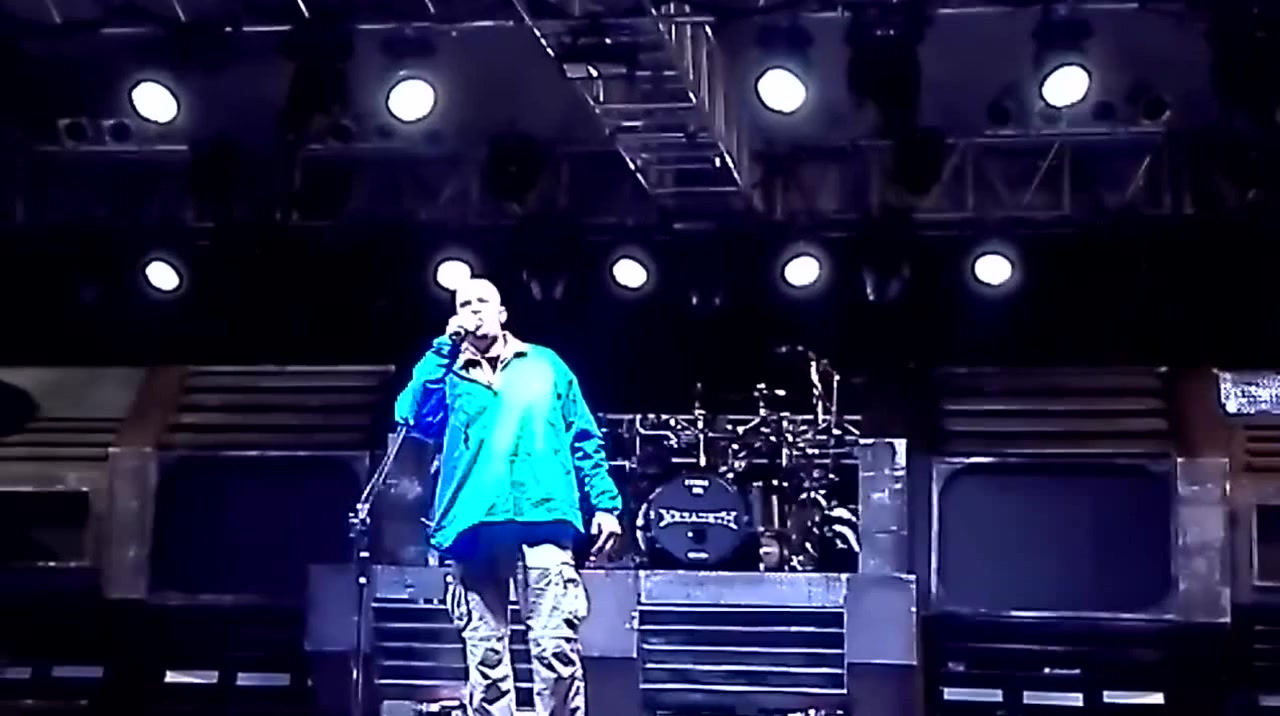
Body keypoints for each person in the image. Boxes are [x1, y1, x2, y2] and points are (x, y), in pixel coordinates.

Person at [394, 277, 623, 716]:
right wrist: (443, 349)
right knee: (485, 653)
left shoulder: (546, 365)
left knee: (555, 645)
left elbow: (584, 438)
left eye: (483, 301)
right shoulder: (447, 372)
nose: (473, 309)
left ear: (502, 314)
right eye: (464, 304)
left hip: (543, 517)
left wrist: (606, 505)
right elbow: (411, 416)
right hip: (474, 523)